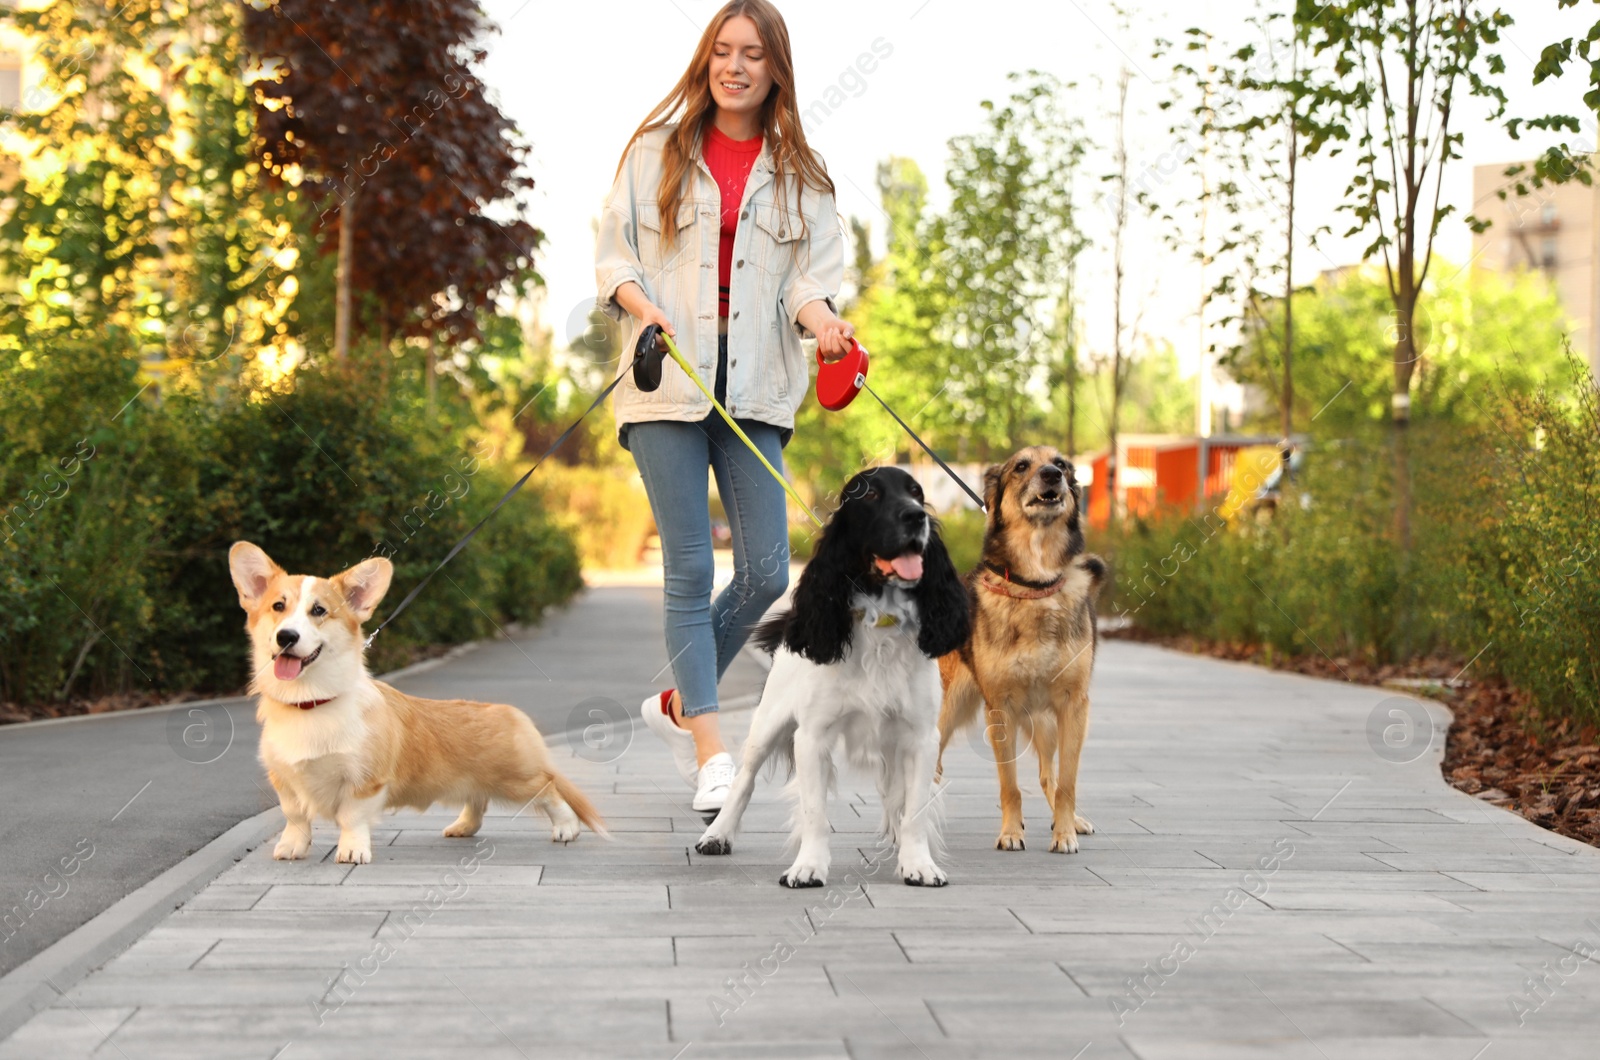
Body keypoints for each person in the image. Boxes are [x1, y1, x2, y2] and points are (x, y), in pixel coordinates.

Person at [595, 0, 852, 811]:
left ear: (776, 69)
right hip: (667, 383)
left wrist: (825, 323)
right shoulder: (653, 152)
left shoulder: (803, 178)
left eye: (753, 54)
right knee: (691, 568)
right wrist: (645, 308)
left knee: (770, 570)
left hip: (758, 392)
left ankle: (676, 703)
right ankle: (710, 748)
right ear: (706, 61)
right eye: (722, 51)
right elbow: (612, 256)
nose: (735, 67)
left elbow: (808, 282)